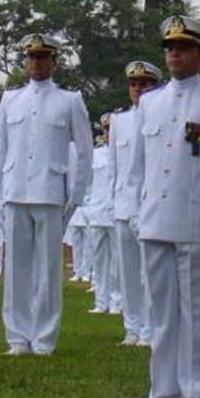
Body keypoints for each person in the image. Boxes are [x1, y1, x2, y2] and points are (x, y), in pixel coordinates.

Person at [129, 15, 200, 398]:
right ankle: (163, 388)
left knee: (196, 307)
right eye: (170, 48)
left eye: (183, 48)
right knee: (160, 309)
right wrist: (134, 209)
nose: (174, 54)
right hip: (156, 215)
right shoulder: (151, 100)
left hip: (196, 217)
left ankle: (196, 387)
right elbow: (140, 165)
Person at [0, 32, 92, 356]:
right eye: (31, 57)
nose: (35, 62)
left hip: (51, 192)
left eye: (42, 56)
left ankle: (45, 337)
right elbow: (0, 150)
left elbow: (86, 151)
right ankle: (18, 337)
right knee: (15, 270)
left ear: (54, 61)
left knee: (49, 270)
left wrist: (75, 197)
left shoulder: (69, 100)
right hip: (16, 190)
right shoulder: (11, 99)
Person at [109, 60, 161, 346]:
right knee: (127, 273)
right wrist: (112, 203)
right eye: (134, 84)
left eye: (144, 84)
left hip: (150, 204)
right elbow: (116, 169)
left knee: (149, 271)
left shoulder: (162, 116)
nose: (138, 89)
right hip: (123, 204)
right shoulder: (119, 120)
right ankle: (132, 325)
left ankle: (150, 328)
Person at [85, 116, 120, 315]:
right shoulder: (95, 155)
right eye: (106, 130)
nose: (108, 134)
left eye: (111, 130)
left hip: (116, 213)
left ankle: (116, 301)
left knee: (117, 261)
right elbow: (88, 184)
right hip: (97, 212)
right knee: (98, 259)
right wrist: (89, 207)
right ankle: (101, 301)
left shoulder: (124, 153)